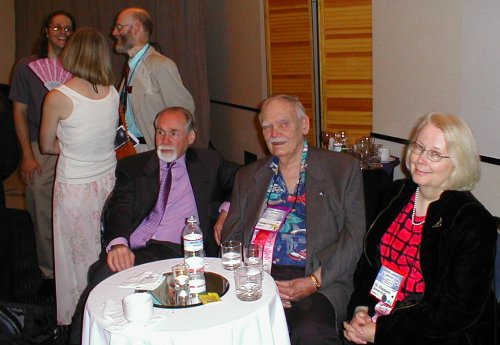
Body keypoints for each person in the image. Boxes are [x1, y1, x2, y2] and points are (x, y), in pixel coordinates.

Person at [68, 107, 238, 344]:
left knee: (103, 273)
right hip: (136, 246)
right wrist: (118, 244)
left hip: (179, 248)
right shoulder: (135, 166)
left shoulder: (209, 161)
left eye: (173, 133)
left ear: (190, 137)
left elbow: (242, 178)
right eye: (160, 132)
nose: (165, 140)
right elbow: (120, 207)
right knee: (104, 273)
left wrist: (226, 210)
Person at [221, 94, 366, 344]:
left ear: (305, 125)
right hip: (259, 277)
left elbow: (354, 238)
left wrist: (315, 281)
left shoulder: (341, 170)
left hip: (319, 276)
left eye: (283, 123)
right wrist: (256, 279)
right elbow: (231, 236)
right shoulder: (247, 177)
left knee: (310, 332)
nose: (274, 132)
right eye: (267, 126)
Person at [344, 113, 497, 345]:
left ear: (458, 162)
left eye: (435, 154)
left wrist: (382, 332)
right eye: (418, 147)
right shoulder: (395, 194)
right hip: (382, 315)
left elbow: (457, 312)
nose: (421, 159)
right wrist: (361, 308)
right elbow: (369, 263)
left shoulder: (472, 222)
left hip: (439, 334)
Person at [39, 28, 119, 326]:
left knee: (75, 260)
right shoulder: (111, 91)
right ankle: (108, 313)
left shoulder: (58, 96)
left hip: (75, 187)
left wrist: (73, 146)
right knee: (106, 251)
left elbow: (47, 146)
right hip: (109, 182)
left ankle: (79, 321)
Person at [9, 10, 75, 281]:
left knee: (72, 211)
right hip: (40, 148)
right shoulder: (27, 67)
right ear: (46, 31)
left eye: (68, 28)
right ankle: (49, 274)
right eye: (56, 27)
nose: (62, 32)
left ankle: (75, 268)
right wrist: (27, 155)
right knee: (42, 211)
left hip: (73, 146)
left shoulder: (78, 65)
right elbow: (19, 113)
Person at [112, 7, 195, 151]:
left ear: (136, 28)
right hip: (130, 151)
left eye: (119, 27)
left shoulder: (160, 65)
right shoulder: (130, 67)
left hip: (151, 152)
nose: (114, 32)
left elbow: (185, 113)